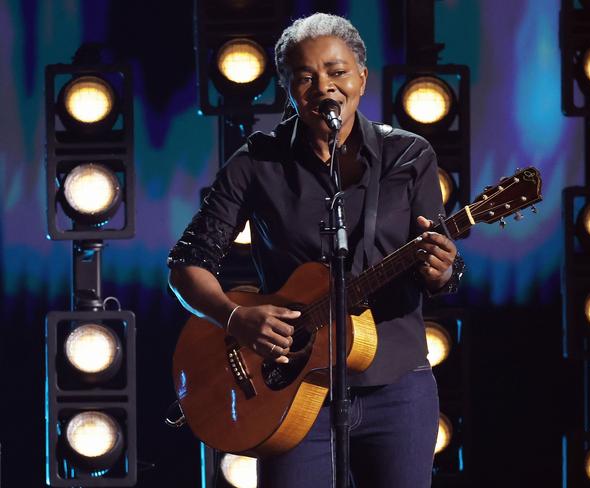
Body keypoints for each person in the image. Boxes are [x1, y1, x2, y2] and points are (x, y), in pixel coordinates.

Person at [168, 12, 464, 488]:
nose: (323, 86)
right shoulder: (256, 162)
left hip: (398, 387)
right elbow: (186, 264)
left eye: (336, 71)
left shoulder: (409, 156)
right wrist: (235, 317)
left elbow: (444, 270)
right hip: (287, 390)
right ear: (287, 87)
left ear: (362, 79)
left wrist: (441, 270)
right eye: (305, 76)